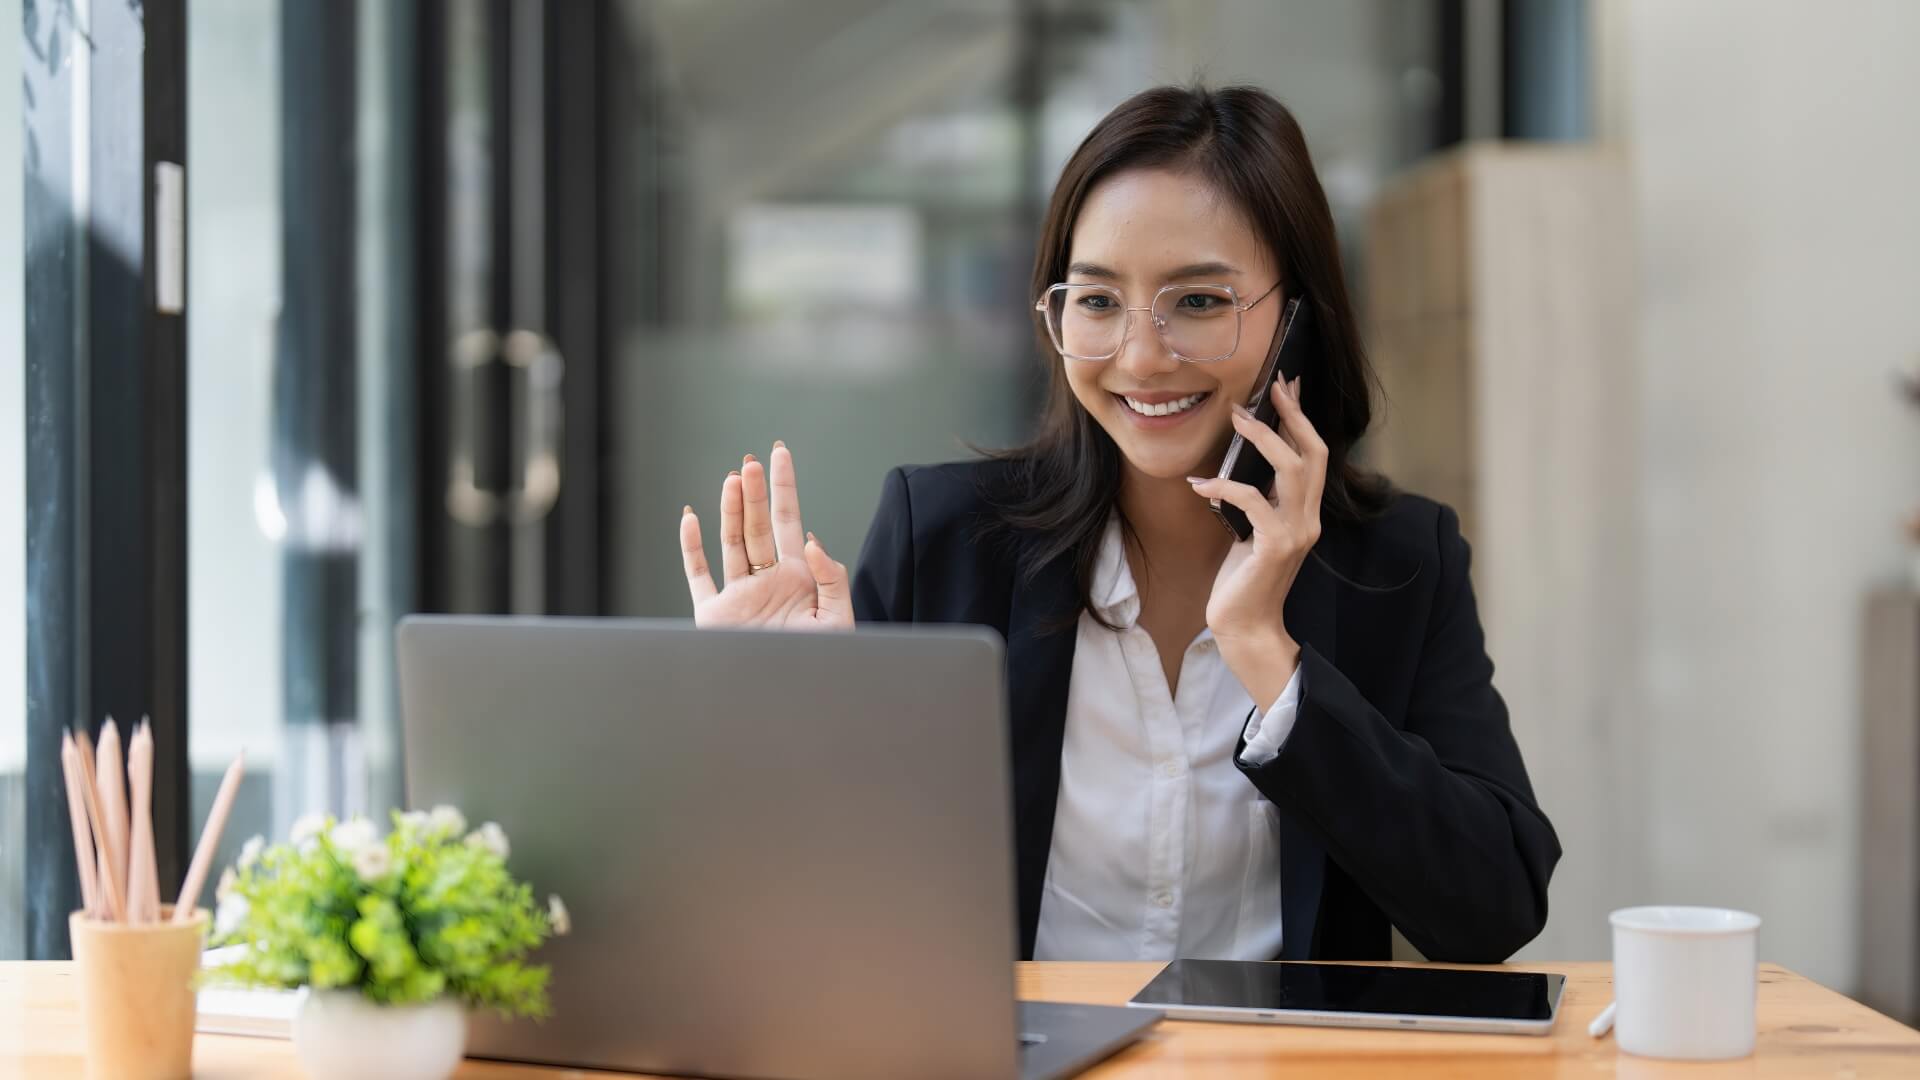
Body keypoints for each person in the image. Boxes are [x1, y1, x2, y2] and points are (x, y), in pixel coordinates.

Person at [674, 85, 1560, 964]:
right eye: (1097, 303)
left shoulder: (1401, 562)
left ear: (1297, 321)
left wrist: (1268, 657)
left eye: (1200, 303)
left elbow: (1494, 908)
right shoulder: (941, 540)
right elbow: (825, 920)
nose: (1140, 358)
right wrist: (778, 726)